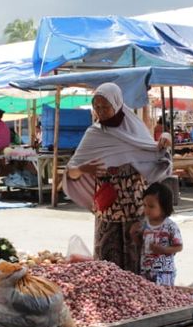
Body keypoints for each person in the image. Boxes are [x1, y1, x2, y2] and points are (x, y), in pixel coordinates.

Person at [65, 83, 172, 274]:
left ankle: (140, 297)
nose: (101, 112)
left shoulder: (135, 128)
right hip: (108, 208)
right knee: (107, 263)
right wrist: (82, 169)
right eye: (96, 107)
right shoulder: (94, 134)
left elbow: (153, 152)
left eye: (105, 107)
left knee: (137, 258)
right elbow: (71, 172)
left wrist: (165, 138)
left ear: (117, 103)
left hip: (136, 206)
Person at [133, 182, 183, 286]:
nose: (146, 210)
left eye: (151, 206)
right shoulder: (144, 224)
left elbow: (179, 247)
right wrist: (133, 234)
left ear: (164, 208)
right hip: (145, 270)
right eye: (145, 205)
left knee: (163, 296)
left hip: (164, 272)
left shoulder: (170, 226)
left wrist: (164, 250)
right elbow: (140, 244)